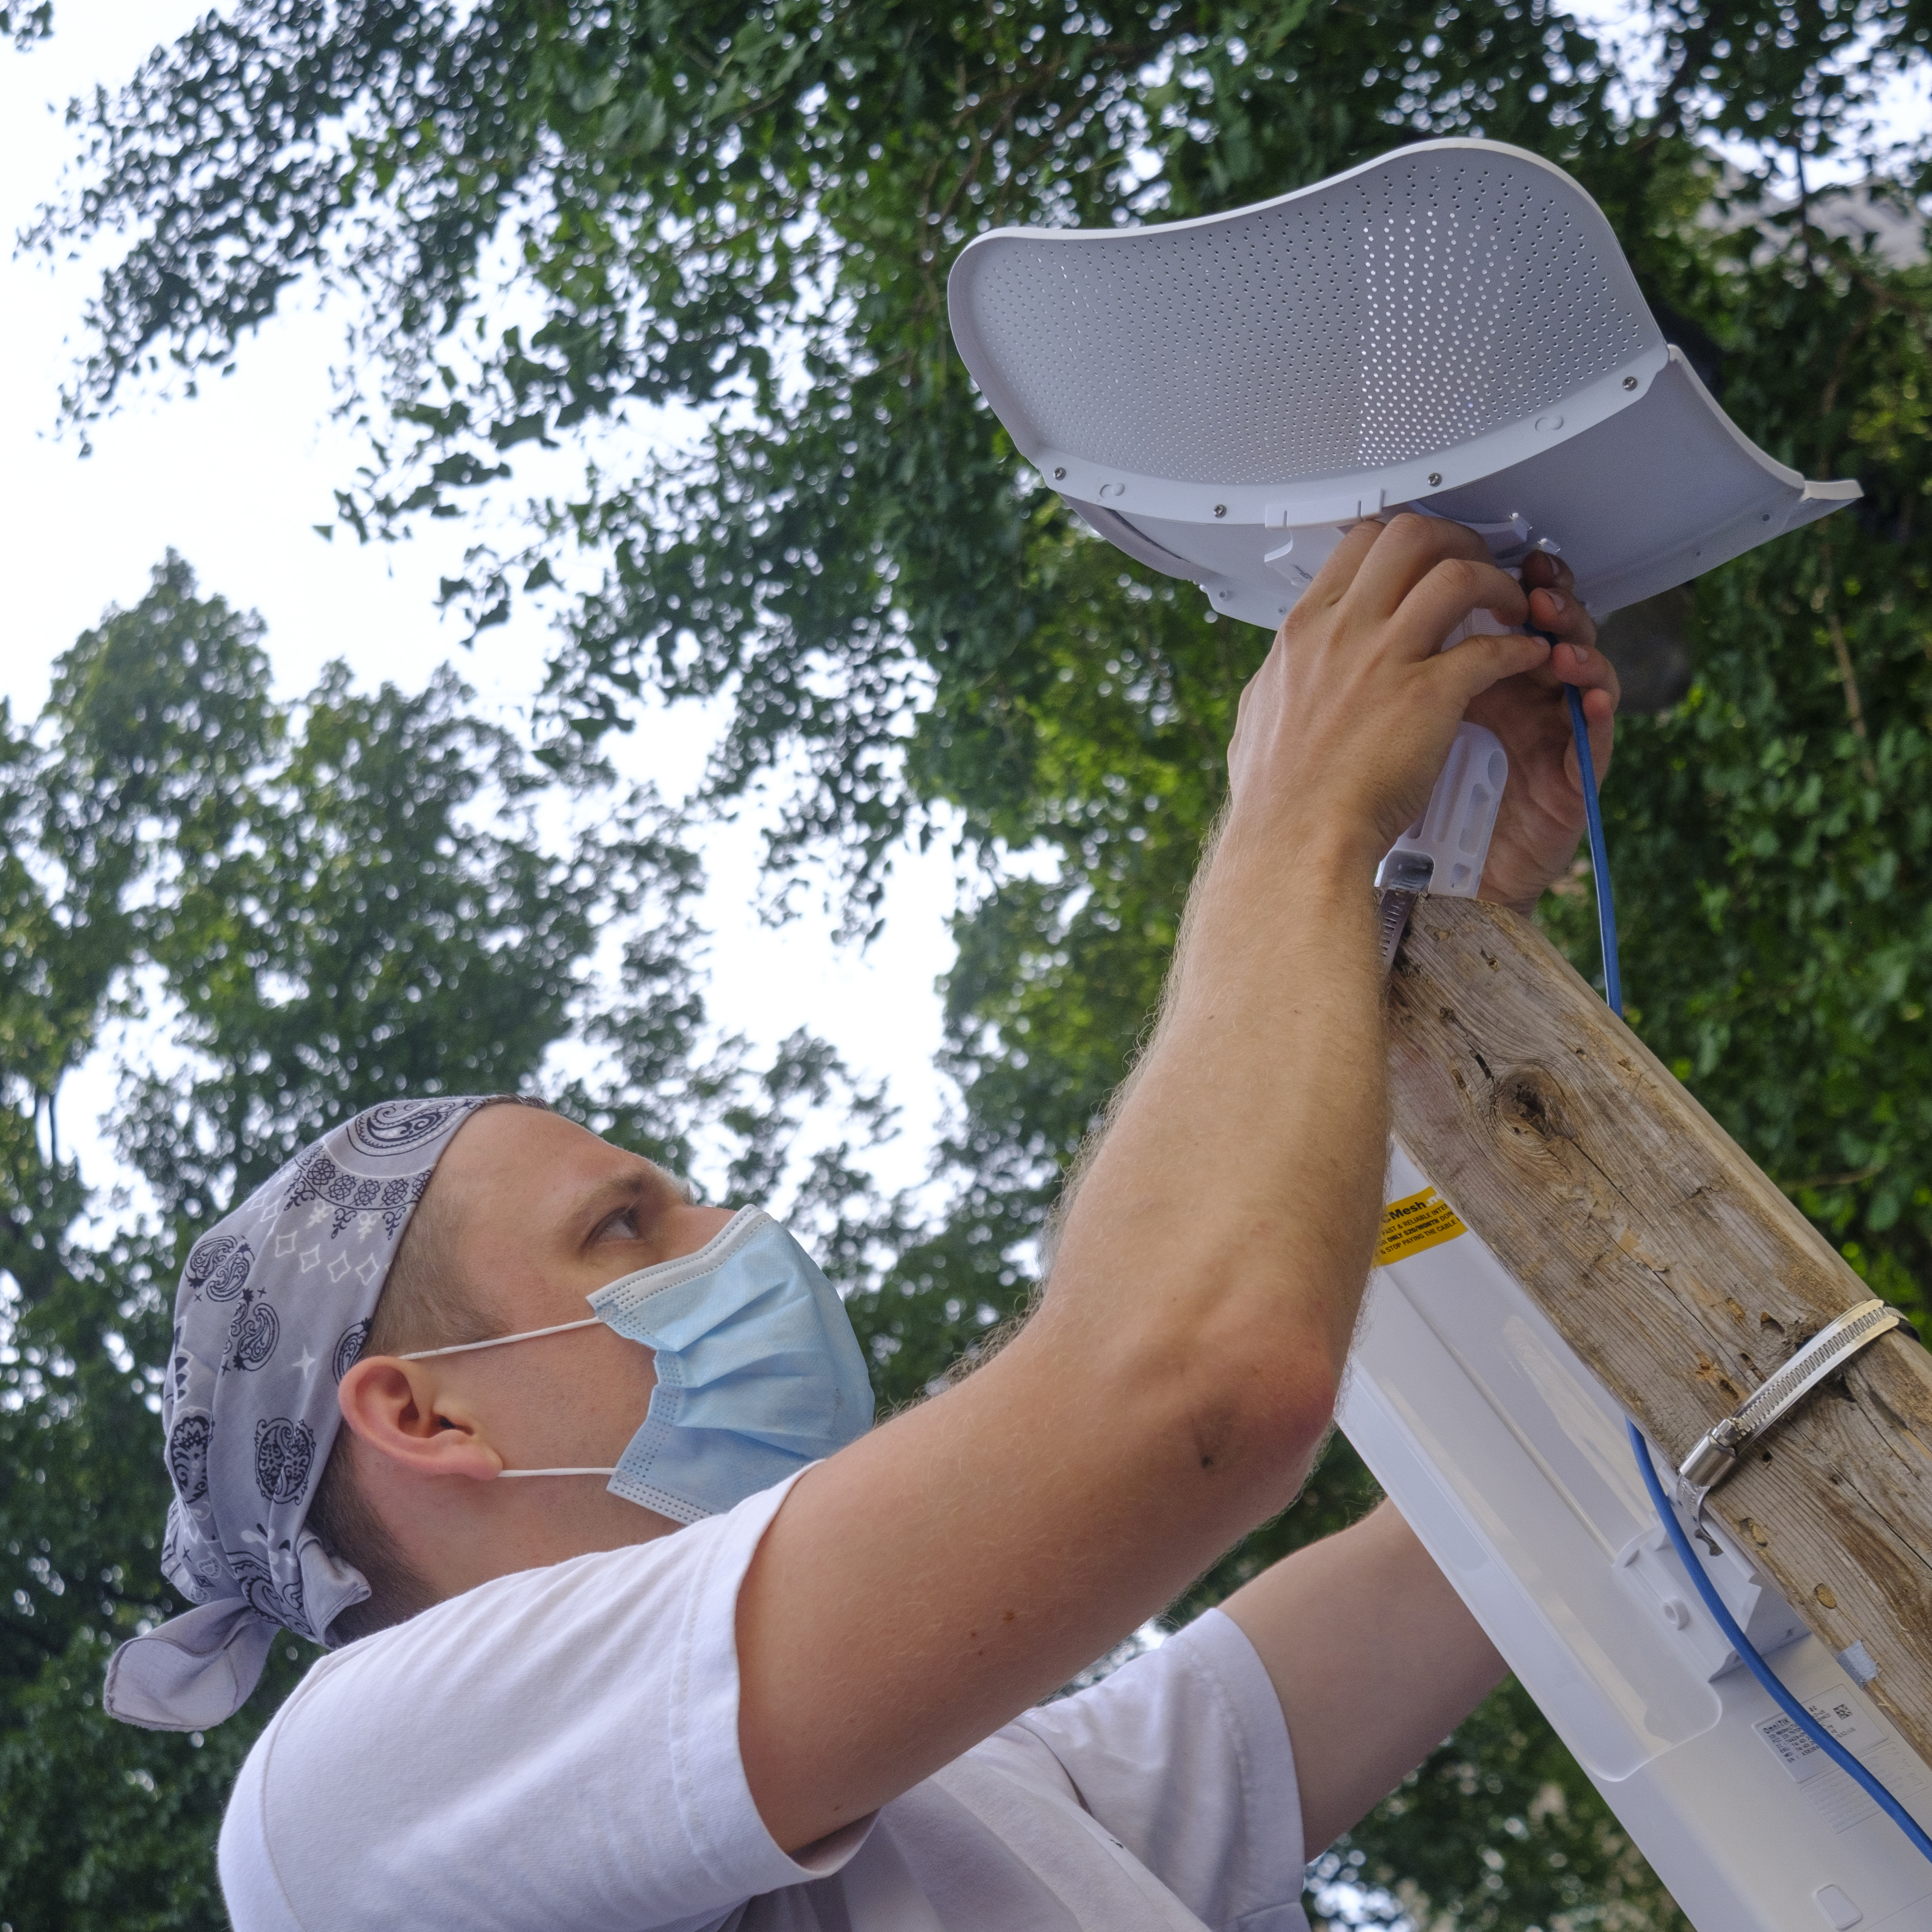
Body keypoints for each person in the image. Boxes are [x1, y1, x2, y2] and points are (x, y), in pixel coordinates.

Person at [106, 514, 1618, 1931]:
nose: (740, 1236)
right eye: (625, 1230)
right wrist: (1296, 821)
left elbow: (1502, 1526)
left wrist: (1425, 915)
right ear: (421, 1417)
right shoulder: (345, 1804)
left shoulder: (970, 1792)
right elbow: (1200, 1386)